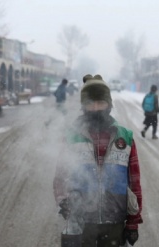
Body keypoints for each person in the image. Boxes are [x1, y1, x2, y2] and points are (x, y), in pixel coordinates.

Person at [53, 74, 143, 247]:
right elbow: (60, 176)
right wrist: (63, 200)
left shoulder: (124, 138)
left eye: (100, 103)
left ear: (109, 105)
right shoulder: (71, 137)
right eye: (90, 104)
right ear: (83, 106)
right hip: (80, 223)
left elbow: (135, 183)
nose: (95, 108)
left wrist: (133, 221)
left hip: (115, 221)